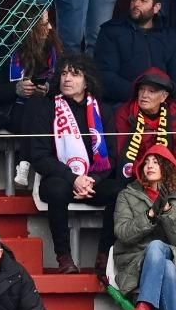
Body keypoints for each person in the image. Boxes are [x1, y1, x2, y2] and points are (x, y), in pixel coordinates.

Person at [27, 53, 119, 273]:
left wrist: (92, 180)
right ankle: (64, 258)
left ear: (87, 81)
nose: (67, 78)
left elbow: (111, 156)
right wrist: (73, 178)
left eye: (75, 74)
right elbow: (39, 156)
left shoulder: (102, 110)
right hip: (61, 179)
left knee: (120, 192)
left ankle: (104, 256)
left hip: (92, 181)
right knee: (57, 190)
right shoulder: (47, 108)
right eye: (64, 73)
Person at [111, 145, 176, 310]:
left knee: (158, 248)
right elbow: (122, 233)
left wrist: (167, 211)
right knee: (168, 268)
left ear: (167, 167)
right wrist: (149, 215)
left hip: (171, 253)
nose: (149, 166)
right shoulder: (127, 195)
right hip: (135, 260)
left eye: (155, 162)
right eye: (146, 162)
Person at [93, 0, 176, 106]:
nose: (136, 4)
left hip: (164, 101)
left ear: (156, 7)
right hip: (125, 101)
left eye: (143, 0)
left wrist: (161, 96)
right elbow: (105, 75)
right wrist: (141, 95)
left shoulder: (171, 36)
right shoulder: (111, 31)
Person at [111, 66, 176, 186]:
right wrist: (148, 179)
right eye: (141, 89)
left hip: (170, 179)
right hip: (136, 179)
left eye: (151, 91)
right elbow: (122, 155)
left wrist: (169, 181)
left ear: (164, 96)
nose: (144, 95)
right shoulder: (125, 113)